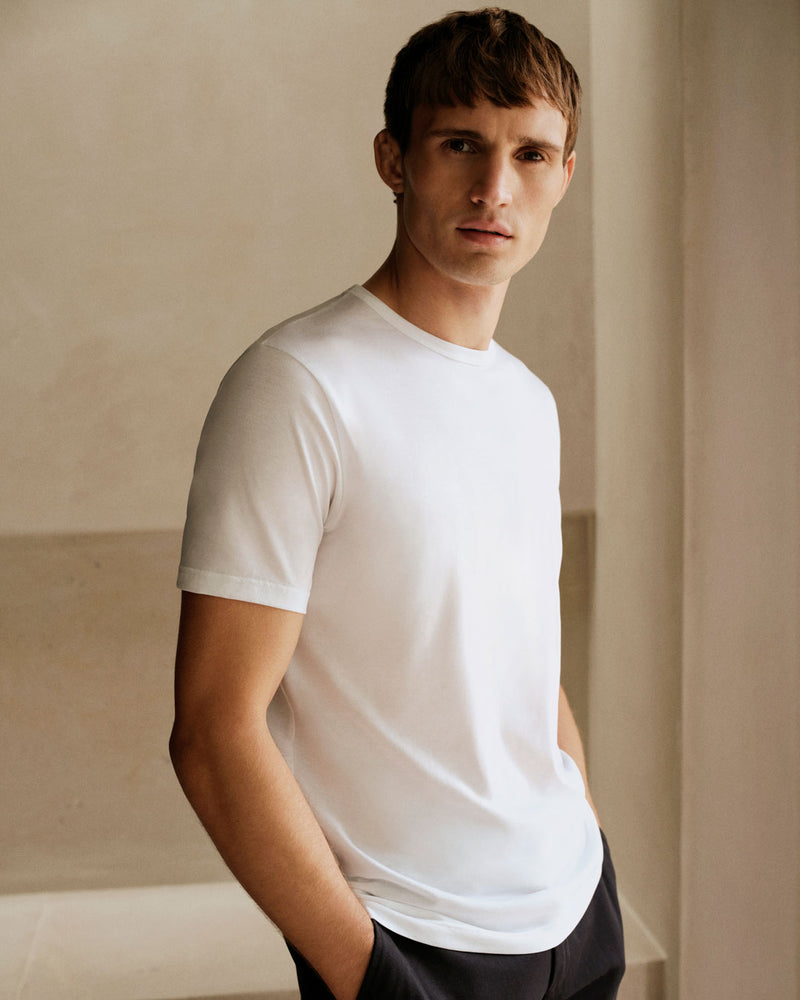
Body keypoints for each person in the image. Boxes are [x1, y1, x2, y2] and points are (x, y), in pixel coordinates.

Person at [170, 8, 625, 999]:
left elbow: (519, 657)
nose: (494, 189)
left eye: (529, 154)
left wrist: (584, 841)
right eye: (460, 144)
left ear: (563, 176)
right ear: (394, 159)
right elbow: (213, 728)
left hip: (573, 916)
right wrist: (368, 974)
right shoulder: (298, 385)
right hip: (414, 942)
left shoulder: (527, 401)